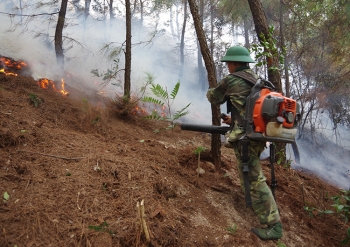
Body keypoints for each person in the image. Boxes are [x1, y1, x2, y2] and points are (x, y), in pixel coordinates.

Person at [206, 46, 283, 240]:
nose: (228, 67)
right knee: (251, 176)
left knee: (255, 179)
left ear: (233, 63)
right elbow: (251, 108)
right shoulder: (257, 80)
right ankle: (261, 210)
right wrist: (234, 120)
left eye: (228, 64)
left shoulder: (232, 80)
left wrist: (211, 88)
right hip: (258, 136)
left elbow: (213, 98)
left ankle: (274, 226)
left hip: (246, 140)